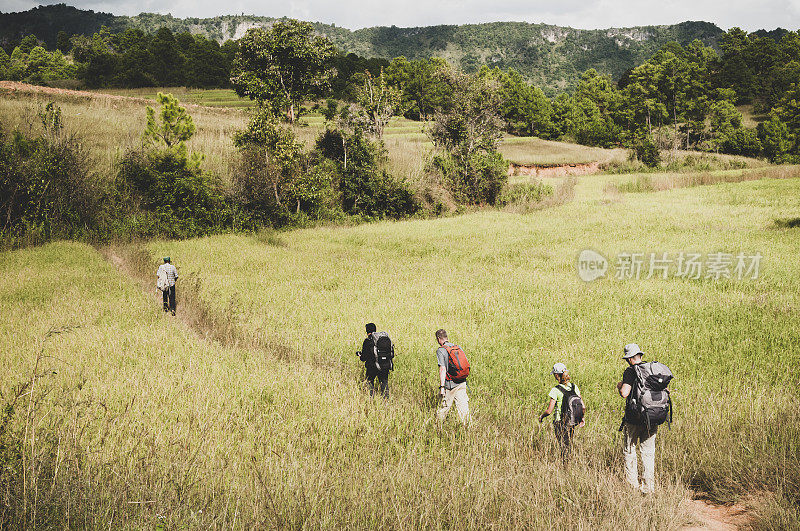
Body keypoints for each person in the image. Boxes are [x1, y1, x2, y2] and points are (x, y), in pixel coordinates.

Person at [617, 343, 657, 494]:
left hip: (634, 418)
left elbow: (624, 393)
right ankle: (648, 488)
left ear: (629, 359)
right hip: (652, 417)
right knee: (648, 452)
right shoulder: (652, 369)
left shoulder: (630, 371)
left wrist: (620, 385)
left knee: (629, 450)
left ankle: (632, 487)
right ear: (640, 355)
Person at [539, 363, 585, 461]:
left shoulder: (555, 390)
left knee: (563, 446)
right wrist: (581, 418)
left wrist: (541, 416)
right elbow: (583, 406)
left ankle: (565, 466)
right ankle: (567, 463)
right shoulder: (574, 387)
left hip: (560, 421)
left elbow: (549, 411)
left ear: (556, 375)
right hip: (572, 421)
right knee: (568, 443)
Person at [435, 329, 470, 424]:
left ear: (438, 339)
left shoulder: (441, 350)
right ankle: (466, 427)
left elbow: (442, 369)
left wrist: (442, 387)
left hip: (450, 384)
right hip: (462, 381)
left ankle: (438, 428)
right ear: (446, 337)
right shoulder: (458, 347)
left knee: (444, 407)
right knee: (463, 408)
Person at [359, 323, 388, 397]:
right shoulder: (381, 339)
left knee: (369, 381)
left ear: (367, 331)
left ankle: (371, 399)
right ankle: (386, 401)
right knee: (384, 383)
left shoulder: (367, 341)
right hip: (384, 365)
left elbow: (363, 358)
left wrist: (360, 355)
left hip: (372, 367)